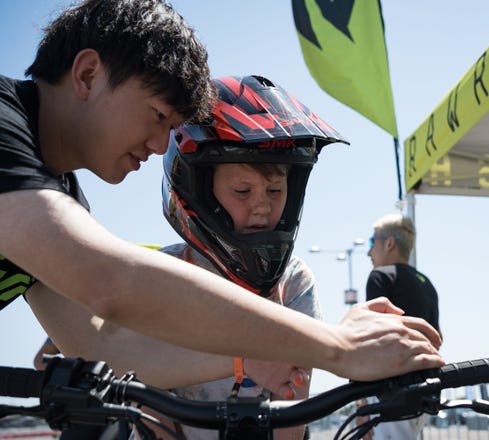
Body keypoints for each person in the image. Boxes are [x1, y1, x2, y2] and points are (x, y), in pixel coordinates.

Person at [0, 0, 442, 396]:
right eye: (157, 115)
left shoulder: (58, 192)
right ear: (88, 74)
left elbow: (101, 346)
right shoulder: (4, 123)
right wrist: (338, 348)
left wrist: (246, 359)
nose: (159, 145)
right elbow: (108, 281)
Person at [158, 74, 335, 439]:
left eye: (275, 189)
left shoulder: (294, 281)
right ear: (200, 192)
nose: (262, 206)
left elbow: (291, 410)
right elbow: (147, 409)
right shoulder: (163, 276)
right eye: (242, 189)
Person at [360, 213, 441, 440]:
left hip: (391, 388)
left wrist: (361, 404)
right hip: (427, 386)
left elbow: (372, 340)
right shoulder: (426, 283)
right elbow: (437, 338)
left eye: (371, 242)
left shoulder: (380, 276)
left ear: (389, 243)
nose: (368, 252)